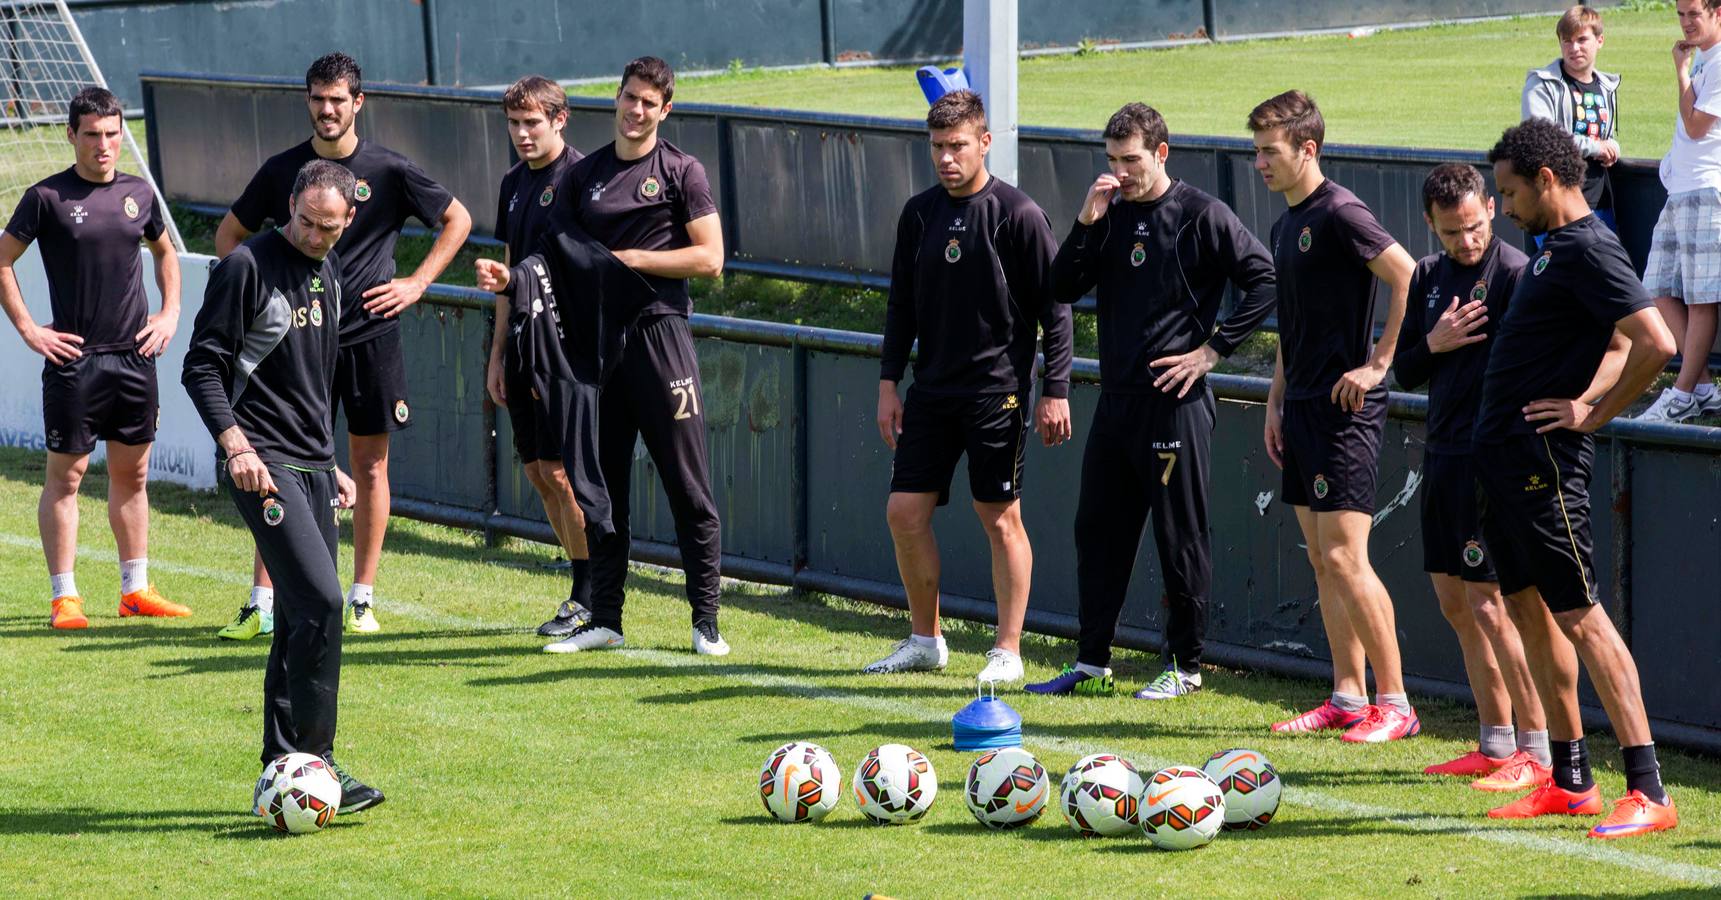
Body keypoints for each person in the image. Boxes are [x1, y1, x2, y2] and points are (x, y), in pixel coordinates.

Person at [214, 51, 472, 639]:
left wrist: (417, 282)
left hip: (366, 335)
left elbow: (458, 219)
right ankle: (262, 602)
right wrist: (256, 301)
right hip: (295, 342)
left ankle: (361, 597)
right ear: (307, 101)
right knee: (278, 462)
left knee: (369, 465)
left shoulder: (388, 169)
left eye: (338, 99)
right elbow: (229, 236)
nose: (327, 110)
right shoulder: (284, 170)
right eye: (317, 98)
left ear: (359, 102)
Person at [1027, 102, 1273, 700]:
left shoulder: (1200, 215)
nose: (1120, 171)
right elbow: (1059, 288)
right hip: (1116, 403)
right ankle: (1091, 664)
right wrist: (1086, 221)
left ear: (1161, 153)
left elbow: (1265, 279)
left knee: (1178, 535)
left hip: (1175, 404)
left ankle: (1185, 666)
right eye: (1111, 160)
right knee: (1097, 530)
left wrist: (1211, 352)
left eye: (1130, 159)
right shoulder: (1107, 214)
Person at [1477, 117, 1678, 838]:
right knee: (1528, 611)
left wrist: (1591, 413)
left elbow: (1655, 341)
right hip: (1502, 462)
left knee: (1581, 617)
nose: (1502, 206)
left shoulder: (1589, 246)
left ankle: (1648, 790)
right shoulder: (1550, 251)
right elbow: (1618, 340)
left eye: (1508, 192)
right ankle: (1569, 781)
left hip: (1544, 468)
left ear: (1547, 180)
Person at [184, 159, 384, 814]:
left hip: (309, 465)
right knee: (325, 603)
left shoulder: (329, 271)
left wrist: (332, 466)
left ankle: (282, 758)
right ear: (290, 204)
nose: (315, 235)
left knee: (300, 614)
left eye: (329, 227)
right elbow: (202, 368)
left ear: (346, 221)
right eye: (306, 221)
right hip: (260, 460)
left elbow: (307, 386)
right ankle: (317, 762)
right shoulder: (247, 267)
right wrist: (234, 444)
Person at [512, 56, 729, 656]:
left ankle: (705, 622)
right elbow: (551, 253)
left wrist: (631, 260)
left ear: (665, 110)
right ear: (617, 98)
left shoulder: (683, 170)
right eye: (628, 98)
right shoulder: (587, 176)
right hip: (597, 349)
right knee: (600, 488)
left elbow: (710, 258)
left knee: (690, 488)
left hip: (662, 338)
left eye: (647, 103)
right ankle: (606, 618)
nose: (635, 111)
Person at [865, 89, 1074, 684]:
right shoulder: (920, 213)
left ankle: (1007, 649)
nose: (946, 158)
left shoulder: (1018, 214)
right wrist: (888, 384)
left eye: (957, 145)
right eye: (936, 147)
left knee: (999, 514)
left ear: (985, 142)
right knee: (903, 513)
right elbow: (900, 306)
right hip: (931, 392)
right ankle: (925, 640)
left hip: (997, 394)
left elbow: (1055, 310)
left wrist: (1055, 389)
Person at [1249, 90, 1421, 742]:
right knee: (1322, 561)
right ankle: (1347, 697)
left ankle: (1396, 703)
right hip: (1299, 409)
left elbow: (1408, 275)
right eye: (1256, 151)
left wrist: (1378, 363)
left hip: (1345, 411)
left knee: (1347, 558)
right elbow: (1295, 328)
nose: (1259, 163)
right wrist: (1273, 400)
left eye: (1270, 151)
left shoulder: (1342, 211)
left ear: (1307, 149)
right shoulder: (1281, 224)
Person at [0, 86, 187, 629]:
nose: (105, 145)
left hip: (135, 358)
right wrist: (31, 329)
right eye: (93, 134)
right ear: (71, 135)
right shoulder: (46, 197)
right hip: (74, 361)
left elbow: (166, 252)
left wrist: (171, 312)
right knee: (69, 476)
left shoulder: (139, 193)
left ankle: (135, 589)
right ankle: (65, 597)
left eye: (113, 134)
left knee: (134, 474)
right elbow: (3, 260)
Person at [1392, 163, 1554, 787]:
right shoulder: (1428, 276)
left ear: (1490, 207)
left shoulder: (1515, 273)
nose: (1465, 241)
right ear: (1430, 225)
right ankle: (1494, 742)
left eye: (1474, 226)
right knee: (1455, 602)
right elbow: (1404, 371)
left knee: (1493, 607)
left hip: (1494, 462)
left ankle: (1538, 750)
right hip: (1442, 455)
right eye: (1450, 232)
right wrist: (1435, 342)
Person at [487, 75, 593, 637]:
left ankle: (589, 592)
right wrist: (498, 352)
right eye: (514, 123)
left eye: (532, 122)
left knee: (562, 471)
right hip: (523, 347)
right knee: (536, 471)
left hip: (567, 351)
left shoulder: (581, 179)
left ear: (559, 119)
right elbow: (510, 264)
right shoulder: (511, 182)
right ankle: (585, 585)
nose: (522, 133)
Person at [1635, 0, 1721, 424]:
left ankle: (1684, 392)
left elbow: (1696, 126)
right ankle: (1702, 386)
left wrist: (1681, 71)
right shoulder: (1706, 60)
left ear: (1717, 13)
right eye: (1681, 14)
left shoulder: (1716, 64)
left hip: (1707, 190)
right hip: (1682, 191)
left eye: (1694, 14)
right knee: (1656, 288)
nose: (1686, 23)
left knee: (1702, 297)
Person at [1521, 5, 1621, 231]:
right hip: (1556, 207)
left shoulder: (1606, 86)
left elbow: (1605, 135)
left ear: (1600, 41)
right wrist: (1596, 147)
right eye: (1567, 41)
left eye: (1582, 40)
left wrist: (1613, 146)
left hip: (1599, 203)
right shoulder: (1541, 85)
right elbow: (1541, 141)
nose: (1574, 48)